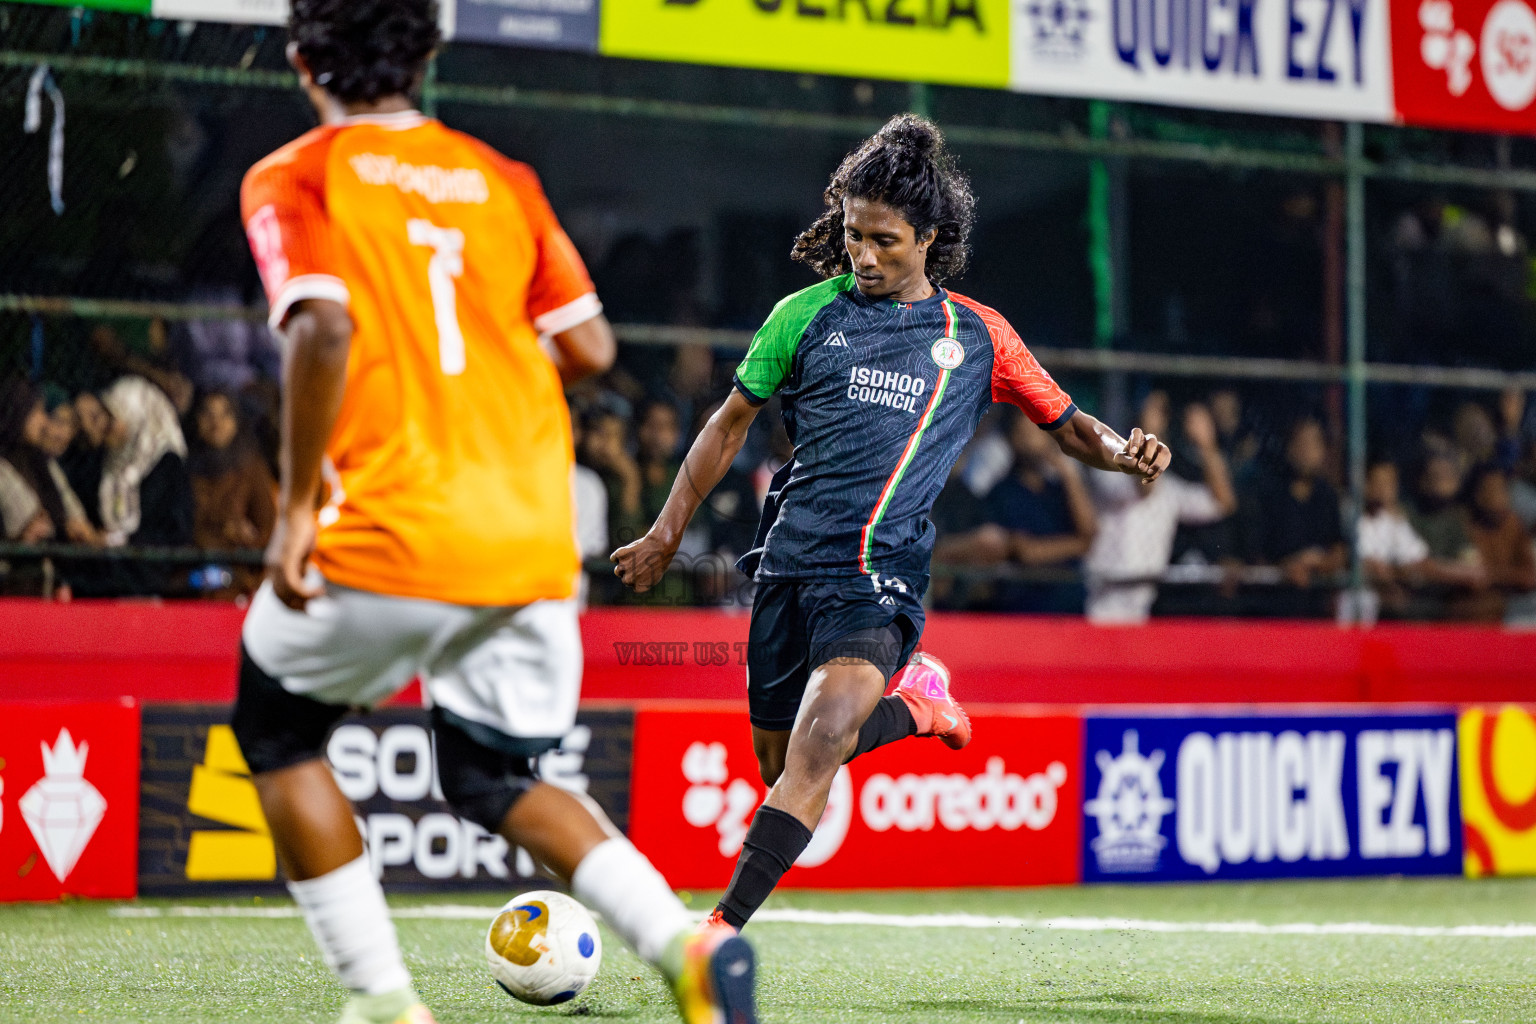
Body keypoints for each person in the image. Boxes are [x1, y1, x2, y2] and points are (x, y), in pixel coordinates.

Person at [229, 5, 756, 1024]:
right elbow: (592, 349)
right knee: (494, 773)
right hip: (530, 538)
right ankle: (686, 945)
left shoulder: (294, 173)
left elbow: (325, 325)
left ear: (300, 62)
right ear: (428, 54)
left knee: (278, 729)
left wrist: (295, 514)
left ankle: (383, 1003)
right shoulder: (500, 181)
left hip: (394, 529)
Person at [612, 114, 1170, 933]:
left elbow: (1071, 423)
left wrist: (1126, 454)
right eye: (852, 237)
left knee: (823, 738)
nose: (865, 257)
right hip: (787, 566)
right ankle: (919, 708)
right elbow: (728, 424)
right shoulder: (804, 315)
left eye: (885, 241)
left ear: (929, 239)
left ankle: (718, 932)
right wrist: (667, 530)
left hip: (880, 578)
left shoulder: (978, 336)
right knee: (783, 763)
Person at [1085, 397, 1236, 624]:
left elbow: (1223, 503)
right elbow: (1143, 488)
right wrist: (1151, 432)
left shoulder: (1170, 489)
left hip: (1143, 610)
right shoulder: (1106, 471)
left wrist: (1206, 445)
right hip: (1100, 605)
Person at [979, 405, 1097, 613]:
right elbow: (1026, 551)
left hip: (1071, 609)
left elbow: (1090, 532)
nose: (1036, 434)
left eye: (1041, 429)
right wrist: (1079, 544)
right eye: (1028, 428)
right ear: (1013, 437)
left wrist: (1066, 469)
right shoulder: (1003, 492)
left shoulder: (1059, 489)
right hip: (1025, 609)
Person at [1238, 416, 1346, 616]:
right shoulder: (1267, 495)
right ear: (1289, 447)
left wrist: (1317, 564)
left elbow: (1339, 550)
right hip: (1273, 611)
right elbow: (1254, 555)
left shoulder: (1327, 496)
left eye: (1313, 443)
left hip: (1318, 612)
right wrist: (1285, 569)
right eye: (1301, 443)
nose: (1306, 451)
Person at [189, 390, 277, 596]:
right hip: (193, 579)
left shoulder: (251, 468)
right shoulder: (186, 470)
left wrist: (243, 537)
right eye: (208, 414)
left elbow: (267, 530)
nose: (216, 423)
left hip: (241, 582)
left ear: (236, 420)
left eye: (225, 414)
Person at [98, 375, 194, 549]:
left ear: (136, 415)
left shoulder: (167, 466)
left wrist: (117, 541)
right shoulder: (110, 463)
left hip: (150, 566)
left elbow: (173, 533)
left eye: (113, 419)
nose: (104, 426)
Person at [0, 376, 98, 546]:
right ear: (19, 410)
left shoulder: (40, 462)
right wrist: (22, 540)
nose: (45, 422)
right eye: (37, 411)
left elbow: (74, 516)